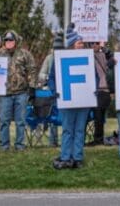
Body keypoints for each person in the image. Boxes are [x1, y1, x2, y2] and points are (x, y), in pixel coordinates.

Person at [51, 27, 92, 169]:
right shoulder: (60, 58)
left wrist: (94, 90)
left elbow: (95, 78)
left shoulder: (88, 58)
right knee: (68, 129)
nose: (80, 45)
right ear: (71, 44)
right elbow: (52, 78)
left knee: (80, 129)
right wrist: (55, 90)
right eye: (78, 42)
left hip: (83, 99)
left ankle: (77, 157)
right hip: (67, 99)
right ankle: (65, 156)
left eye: (82, 43)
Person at [0, 30, 36, 151]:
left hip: (21, 92)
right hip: (4, 93)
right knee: (4, 121)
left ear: (16, 41)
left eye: (11, 40)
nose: (8, 42)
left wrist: (32, 87)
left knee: (20, 121)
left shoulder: (25, 54)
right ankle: (4, 145)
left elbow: (32, 70)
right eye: (6, 40)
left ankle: (20, 145)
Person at [90, 42, 114, 146]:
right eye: (91, 43)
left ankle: (98, 139)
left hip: (103, 89)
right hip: (92, 90)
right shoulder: (86, 56)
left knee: (99, 114)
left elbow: (112, 61)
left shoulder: (103, 55)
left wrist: (105, 49)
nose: (93, 45)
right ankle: (97, 138)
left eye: (96, 43)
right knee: (96, 115)